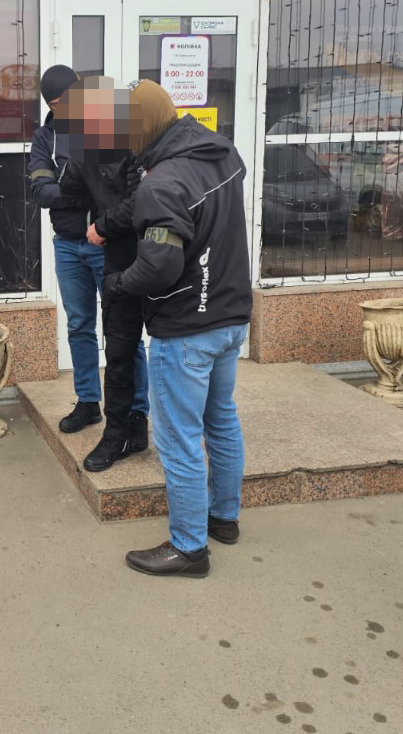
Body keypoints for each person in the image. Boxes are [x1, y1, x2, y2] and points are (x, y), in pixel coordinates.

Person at [91, 80, 251, 578]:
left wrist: (117, 285)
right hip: (229, 318)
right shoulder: (221, 154)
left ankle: (188, 548)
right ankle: (223, 518)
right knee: (221, 420)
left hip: (185, 329)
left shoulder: (161, 184)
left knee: (179, 439)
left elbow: (159, 267)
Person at [54, 75, 151, 472]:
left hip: (149, 256)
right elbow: (67, 192)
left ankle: (137, 423)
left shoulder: (136, 145)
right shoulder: (83, 150)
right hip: (116, 261)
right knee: (118, 347)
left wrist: (102, 224)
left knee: (143, 347)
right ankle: (117, 433)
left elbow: (141, 201)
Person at [28, 65, 104, 434]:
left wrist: (71, 189)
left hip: (107, 242)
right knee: (79, 326)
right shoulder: (45, 137)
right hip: (68, 247)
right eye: (58, 104)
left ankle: (134, 409)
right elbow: (42, 193)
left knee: (122, 328)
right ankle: (88, 402)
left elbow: (118, 189)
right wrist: (81, 190)